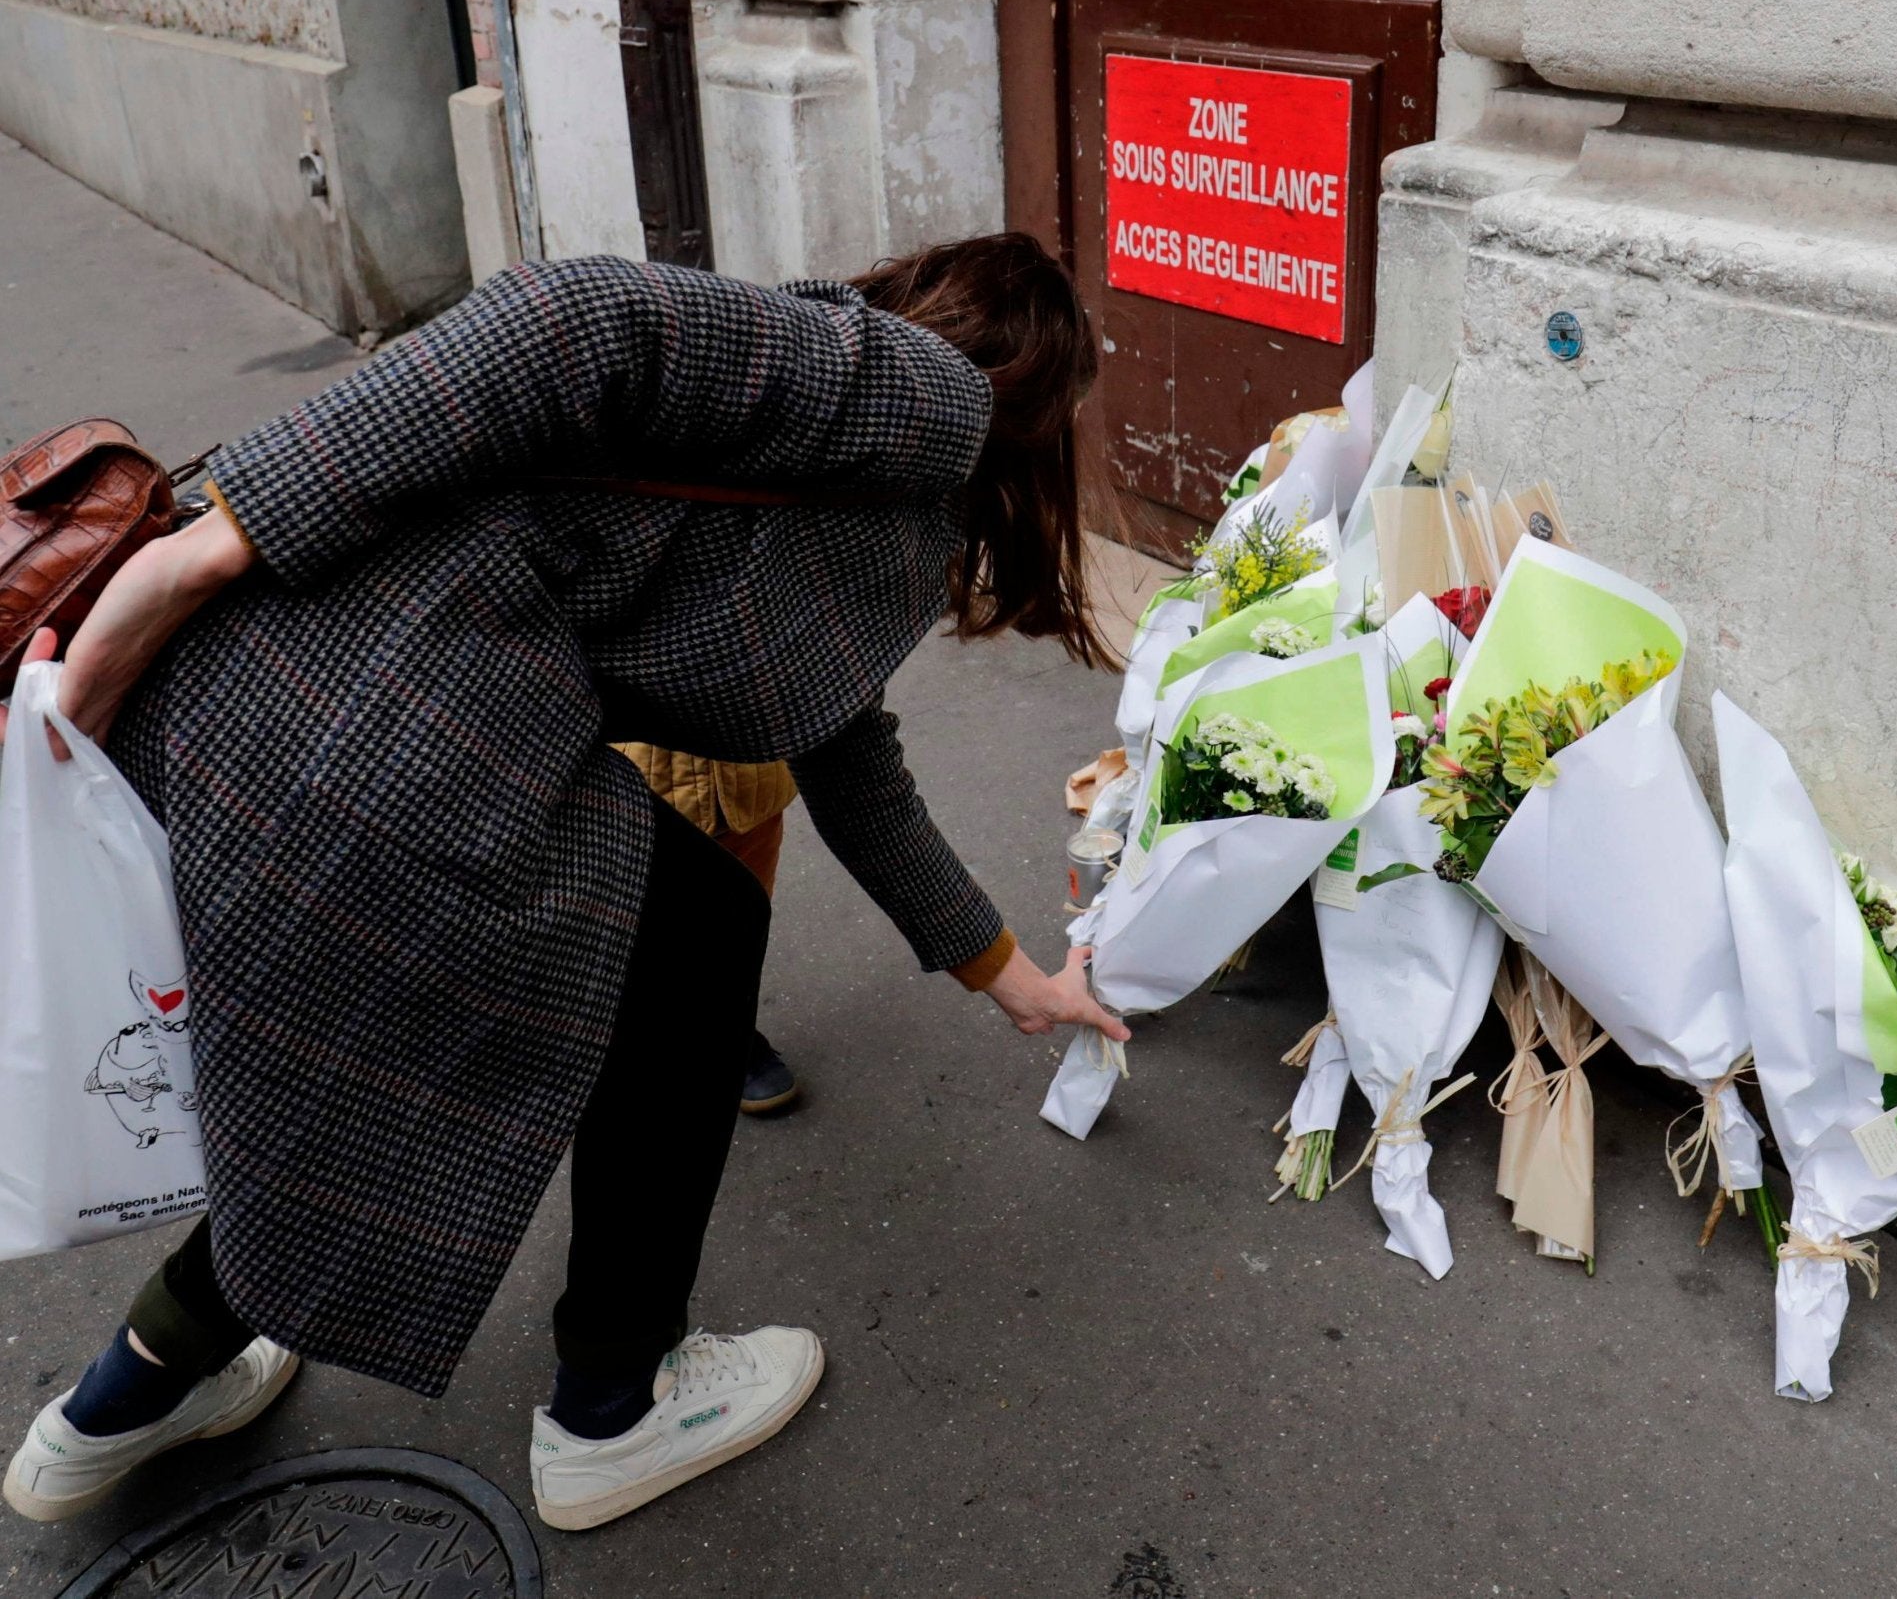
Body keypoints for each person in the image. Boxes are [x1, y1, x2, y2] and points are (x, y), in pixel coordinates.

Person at [0, 235, 1130, 1532]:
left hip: (254, 721)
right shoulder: (928, 396)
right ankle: (613, 1400)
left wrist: (1019, 981)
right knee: (678, 951)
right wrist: (199, 551)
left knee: (380, 1054)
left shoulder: (855, 513)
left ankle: (122, 1392)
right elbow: (569, 311)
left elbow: (851, 761)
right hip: (385, 716)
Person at [611, 745, 801, 1113]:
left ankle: (730, 1034)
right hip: (635, 795)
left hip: (743, 785)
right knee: (648, 944)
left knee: (738, 932)